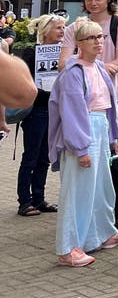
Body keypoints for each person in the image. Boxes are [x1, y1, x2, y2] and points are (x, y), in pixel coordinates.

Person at [47, 17, 118, 267]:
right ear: (79, 43)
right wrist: (81, 148)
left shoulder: (100, 68)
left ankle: (103, 233)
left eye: (100, 37)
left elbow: (109, 106)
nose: (98, 42)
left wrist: (114, 137)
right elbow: (72, 112)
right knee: (78, 192)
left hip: (100, 129)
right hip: (83, 133)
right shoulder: (74, 72)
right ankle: (67, 248)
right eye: (91, 38)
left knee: (102, 187)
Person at [59, 0, 118, 230]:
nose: (93, 3)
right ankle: (88, 213)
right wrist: (90, 69)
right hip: (83, 101)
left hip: (112, 99)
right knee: (86, 156)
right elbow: (63, 63)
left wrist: (92, 68)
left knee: (113, 153)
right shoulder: (74, 27)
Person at [17, 14, 65, 217]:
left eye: (64, 28)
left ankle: (38, 197)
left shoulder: (66, 53)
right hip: (37, 110)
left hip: (56, 110)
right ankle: (24, 201)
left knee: (45, 156)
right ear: (45, 31)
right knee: (31, 156)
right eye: (58, 28)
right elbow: (24, 79)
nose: (63, 31)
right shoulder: (31, 52)